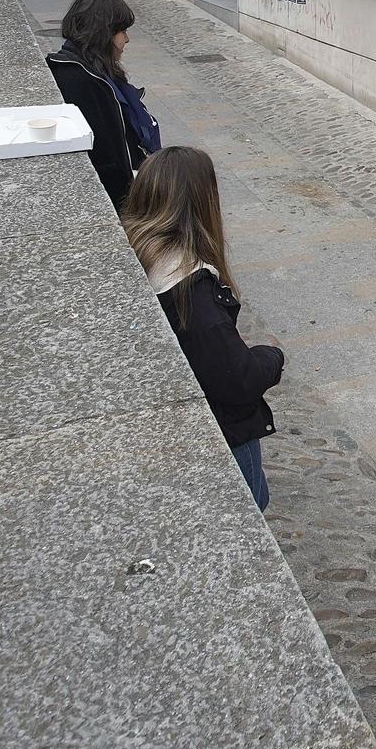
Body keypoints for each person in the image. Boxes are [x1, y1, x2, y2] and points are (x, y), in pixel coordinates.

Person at [123, 146, 284, 509]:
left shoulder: (138, 254)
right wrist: (271, 356)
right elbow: (236, 378)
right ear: (201, 204)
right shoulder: (192, 292)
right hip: (222, 428)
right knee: (250, 505)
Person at [46, 0, 160, 210]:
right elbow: (111, 155)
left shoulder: (89, 70)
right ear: (104, 34)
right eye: (122, 31)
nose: (127, 39)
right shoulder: (85, 81)